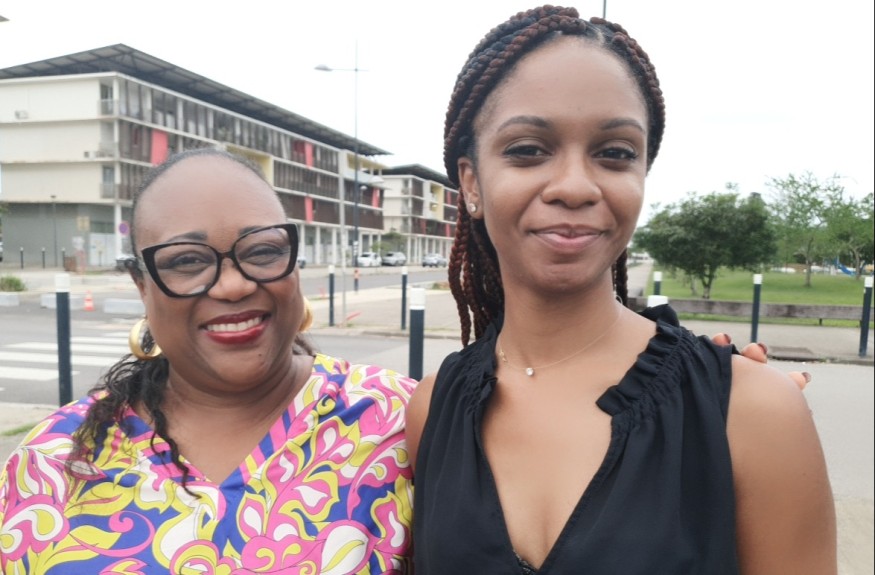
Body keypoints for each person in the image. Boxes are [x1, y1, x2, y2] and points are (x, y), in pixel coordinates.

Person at [406, 6, 835, 574]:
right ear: (470, 183)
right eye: (528, 149)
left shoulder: (753, 411)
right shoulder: (432, 408)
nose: (575, 186)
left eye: (615, 153)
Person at [0, 149, 414, 573]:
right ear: (142, 286)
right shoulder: (51, 463)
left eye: (263, 250)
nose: (233, 286)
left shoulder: (400, 422)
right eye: (186, 261)